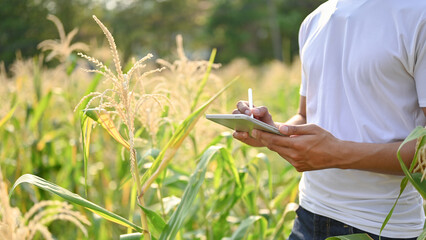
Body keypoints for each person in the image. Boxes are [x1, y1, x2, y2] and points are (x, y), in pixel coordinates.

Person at [232, 0, 426, 239]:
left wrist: (337, 153)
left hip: (380, 227)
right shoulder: (314, 20)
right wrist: (269, 130)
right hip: (309, 215)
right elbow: (306, 115)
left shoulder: (418, 15)